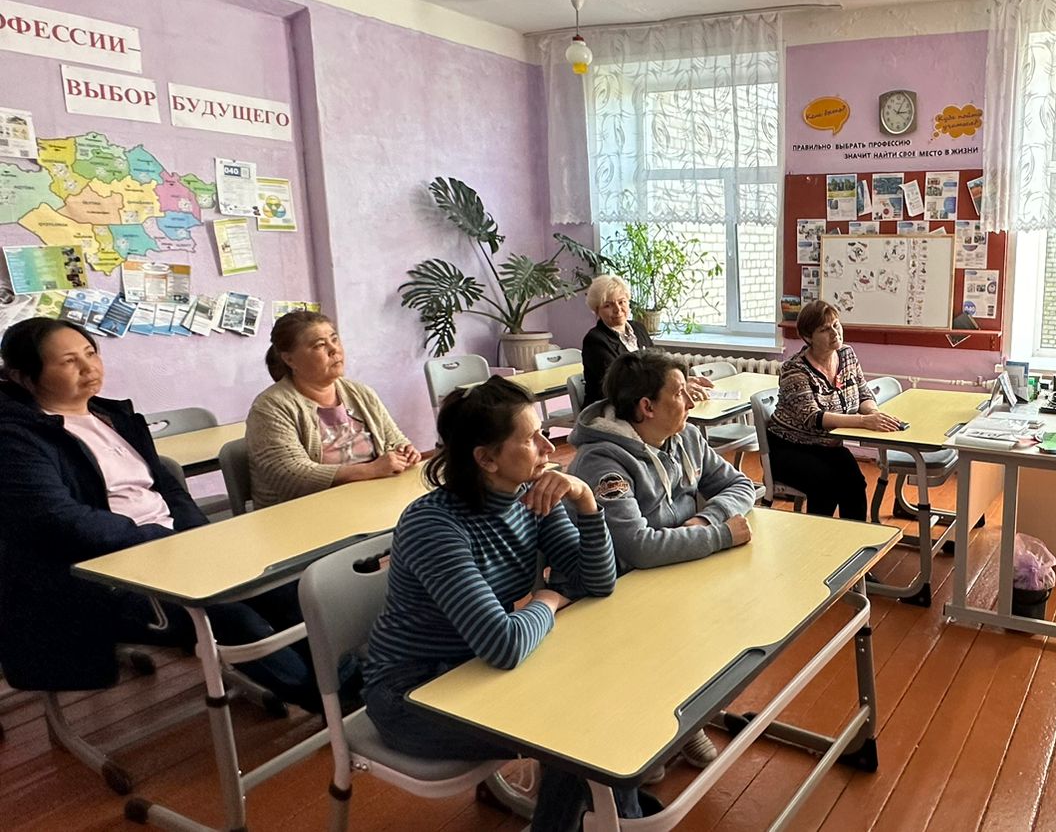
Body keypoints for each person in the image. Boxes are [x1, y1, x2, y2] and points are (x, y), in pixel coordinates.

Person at [362, 375, 647, 829]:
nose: (549, 448)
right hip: (411, 694)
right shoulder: (433, 526)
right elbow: (504, 644)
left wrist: (586, 501)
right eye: (531, 439)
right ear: (486, 458)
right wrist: (547, 600)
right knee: (579, 736)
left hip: (476, 669)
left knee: (604, 699)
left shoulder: (528, 497)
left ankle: (610, 813)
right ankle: (603, 814)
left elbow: (597, 582)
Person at [0, 318, 324, 713]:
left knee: (289, 590)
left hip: (173, 550)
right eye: (69, 361)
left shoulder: (112, 417)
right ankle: (330, 702)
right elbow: (59, 519)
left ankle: (344, 683)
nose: (89, 368)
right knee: (235, 618)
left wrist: (197, 537)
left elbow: (168, 487)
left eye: (90, 353)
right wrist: (157, 540)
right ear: (23, 376)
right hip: (107, 576)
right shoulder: (16, 438)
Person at [568, 349, 759, 770]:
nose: (690, 400)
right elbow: (637, 547)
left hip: (679, 567)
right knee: (664, 644)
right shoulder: (603, 461)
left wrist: (704, 521)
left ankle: (686, 715)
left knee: (722, 626)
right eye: (679, 392)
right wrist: (720, 535)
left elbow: (741, 485)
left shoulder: (684, 436)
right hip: (622, 587)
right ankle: (649, 730)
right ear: (647, 407)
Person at [246, 310, 420, 508]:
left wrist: (404, 452)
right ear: (289, 360)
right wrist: (370, 470)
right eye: (320, 345)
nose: (334, 350)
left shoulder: (361, 393)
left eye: (335, 340)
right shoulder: (270, 408)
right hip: (303, 511)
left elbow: (394, 441)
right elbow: (291, 475)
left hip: (369, 500)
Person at [767, 300, 900, 520]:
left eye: (836, 325)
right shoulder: (794, 369)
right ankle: (821, 540)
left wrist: (873, 414)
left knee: (855, 484)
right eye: (824, 329)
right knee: (826, 486)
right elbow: (813, 418)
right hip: (790, 448)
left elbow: (863, 393)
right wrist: (863, 421)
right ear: (808, 337)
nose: (834, 333)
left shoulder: (846, 354)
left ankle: (855, 537)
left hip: (827, 446)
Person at [579, 274, 711, 408]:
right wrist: (675, 388)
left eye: (622, 302)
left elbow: (659, 366)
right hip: (612, 407)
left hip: (645, 402)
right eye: (608, 305)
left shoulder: (639, 328)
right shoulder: (595, 340)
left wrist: (681, 381)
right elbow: (622, 384)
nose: (617, 310)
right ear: (597, 310)